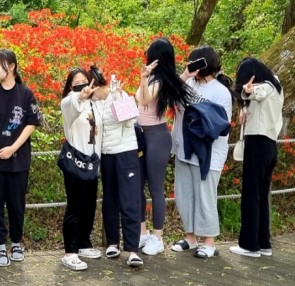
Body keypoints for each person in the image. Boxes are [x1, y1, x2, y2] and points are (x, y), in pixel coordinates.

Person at [0, 49, 42, 267]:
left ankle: (16, 243)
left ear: (11, 66)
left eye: (0, 63)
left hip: (17, 160)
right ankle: (0, 246)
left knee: (16, 204)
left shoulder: (25, 94)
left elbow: (31, 124)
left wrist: (13, 148)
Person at [170, 46, 233, 259]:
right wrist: (186, 75)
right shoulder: (187, 83)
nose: (190, 64)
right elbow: (169, 94)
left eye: (195, 62)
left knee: (205, 197)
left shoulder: (220, 91)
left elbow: (220, 124)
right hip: (184, 148)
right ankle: (190, 237)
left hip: (208, 153)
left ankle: (209, 241)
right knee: (184, 194)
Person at [135, 38, 194, 256]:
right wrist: (185, 75)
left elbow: (144, 99)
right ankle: (142, 232)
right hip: (141, 136)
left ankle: (158, 237)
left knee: (155, 188)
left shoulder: (157, 80)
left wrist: (143, 78)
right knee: (137, 186)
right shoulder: (156, 78)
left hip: (157, 137)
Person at [229, 58, 284, 258]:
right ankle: (263, 243)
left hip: (257, 143)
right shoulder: (276, 86)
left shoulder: (265, 87)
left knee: (251, 195)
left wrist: (247, 91)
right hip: (270, 145)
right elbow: (258, 100)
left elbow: (256, 93)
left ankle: (249, 245)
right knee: (261, 196)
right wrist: (245, 106)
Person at [94, 65, 144, 268]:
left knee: (129, 200)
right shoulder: (95, 103)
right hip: (106, 155)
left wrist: (117, 98)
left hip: (126, 153)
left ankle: (132, 250)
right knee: (110, 200)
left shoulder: (121, 95)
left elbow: (131, 120)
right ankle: (112, 243)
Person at [58, 67, 104, 271]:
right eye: (76, 83)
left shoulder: (94, 104)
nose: (82, 85)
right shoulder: (69, 102)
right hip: (75, 162)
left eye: (84, 81)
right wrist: (80, 95)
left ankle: (84, 243)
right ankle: (70, 252)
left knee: (89, 205)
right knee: (75, 206)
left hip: (92, 163)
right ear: (70, 86)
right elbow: (72, 105)